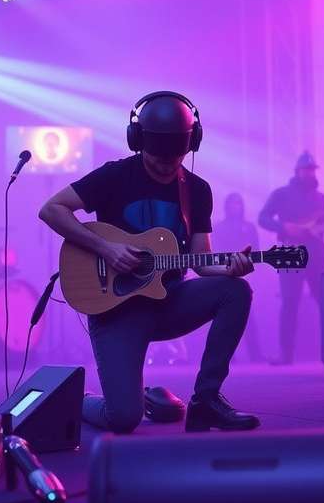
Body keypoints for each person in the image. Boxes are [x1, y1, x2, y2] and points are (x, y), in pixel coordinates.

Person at [39, 91, 260, 433]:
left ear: (191, 145)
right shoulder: (114, 176)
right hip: (116, 309)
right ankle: (82, 399)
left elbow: (201, 261)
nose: (166, 165)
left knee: (236, 290)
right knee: (124, 418)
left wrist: (229, 267)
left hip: (167, 300)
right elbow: (51, 209)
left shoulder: (197, 190)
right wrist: (106, 248)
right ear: (137, 141)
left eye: (175, 157)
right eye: (157, 157)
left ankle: (206, 400)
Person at [258, 151, 324, 365]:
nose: (311, 173)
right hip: (290, 254)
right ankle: (286, 354)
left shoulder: (322, 199)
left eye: (313, 169)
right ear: (298, 171)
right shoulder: (281, 194)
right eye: (307, 169)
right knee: (290, 303)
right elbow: (262, 217)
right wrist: (283, 227)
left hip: (317, 255)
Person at [211, 192, 264, 362]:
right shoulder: (219, 227)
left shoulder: (249, 227)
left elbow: (256, 249)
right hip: (223, 273)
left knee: (249, 317)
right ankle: (227, 356)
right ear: (227, 206)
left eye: (239, 203)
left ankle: (255, 355)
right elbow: (214, 249)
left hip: (246, 273)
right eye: (233, 203)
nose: (236, 207)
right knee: (223, 318)